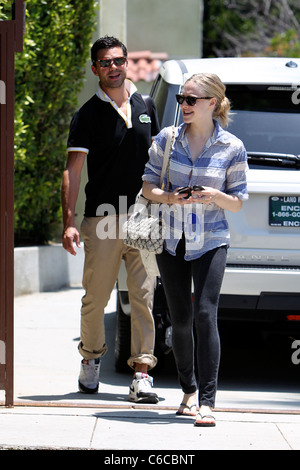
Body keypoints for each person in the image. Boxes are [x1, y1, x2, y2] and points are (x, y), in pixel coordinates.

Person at [142, 73, 249, 425]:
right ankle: (187, 390)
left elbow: (238, 202)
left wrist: (216, 196)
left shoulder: (232, 147)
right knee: (181, 319)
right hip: (171, 238)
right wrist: (170, 196)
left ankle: (207, 401)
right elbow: (147, 187)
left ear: (212, 104)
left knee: (205, 314)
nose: (184, 105)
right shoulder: (167, 139)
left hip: (211, 239)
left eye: (191, 100)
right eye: (181, 99)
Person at [61, 35, 160, 403]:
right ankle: (90, 359)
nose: (113, 67)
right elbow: (73, 170)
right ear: (95, 69)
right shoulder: (87, 115)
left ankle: (142, 374)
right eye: (105, 62)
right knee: (96, 298)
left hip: (145, 217)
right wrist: (69, 221)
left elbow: (160, 161)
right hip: (102, 219)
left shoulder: (146, 103)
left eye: (118, 60)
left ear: (126, 62)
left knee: (143, 297)